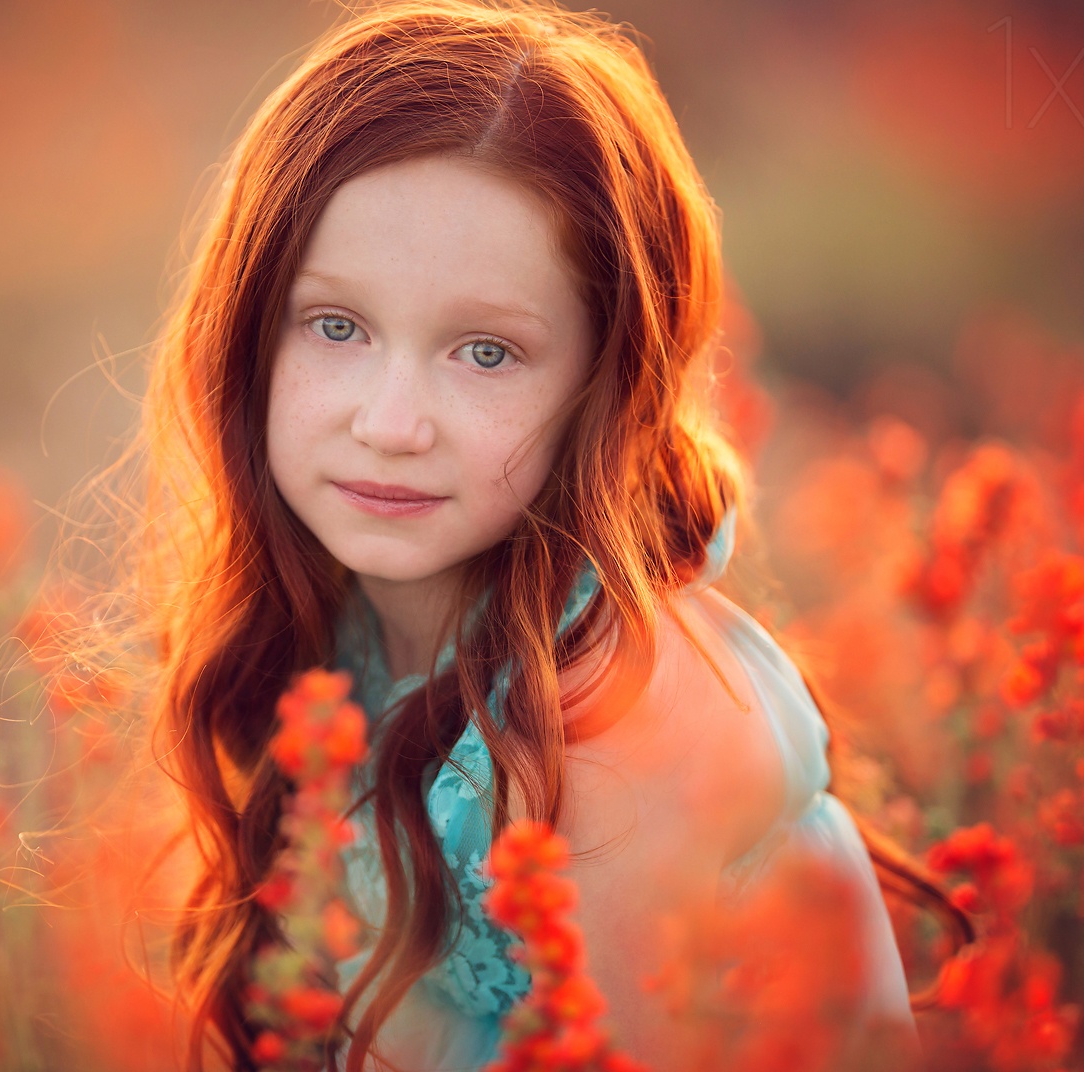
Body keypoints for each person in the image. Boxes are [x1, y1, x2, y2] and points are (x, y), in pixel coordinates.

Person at [108, 2, 970, 1068]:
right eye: (336, 325)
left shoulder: (622, 723)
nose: (389, 424)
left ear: (602, 388)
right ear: (246, 334)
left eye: (485, 353)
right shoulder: (342, 628)